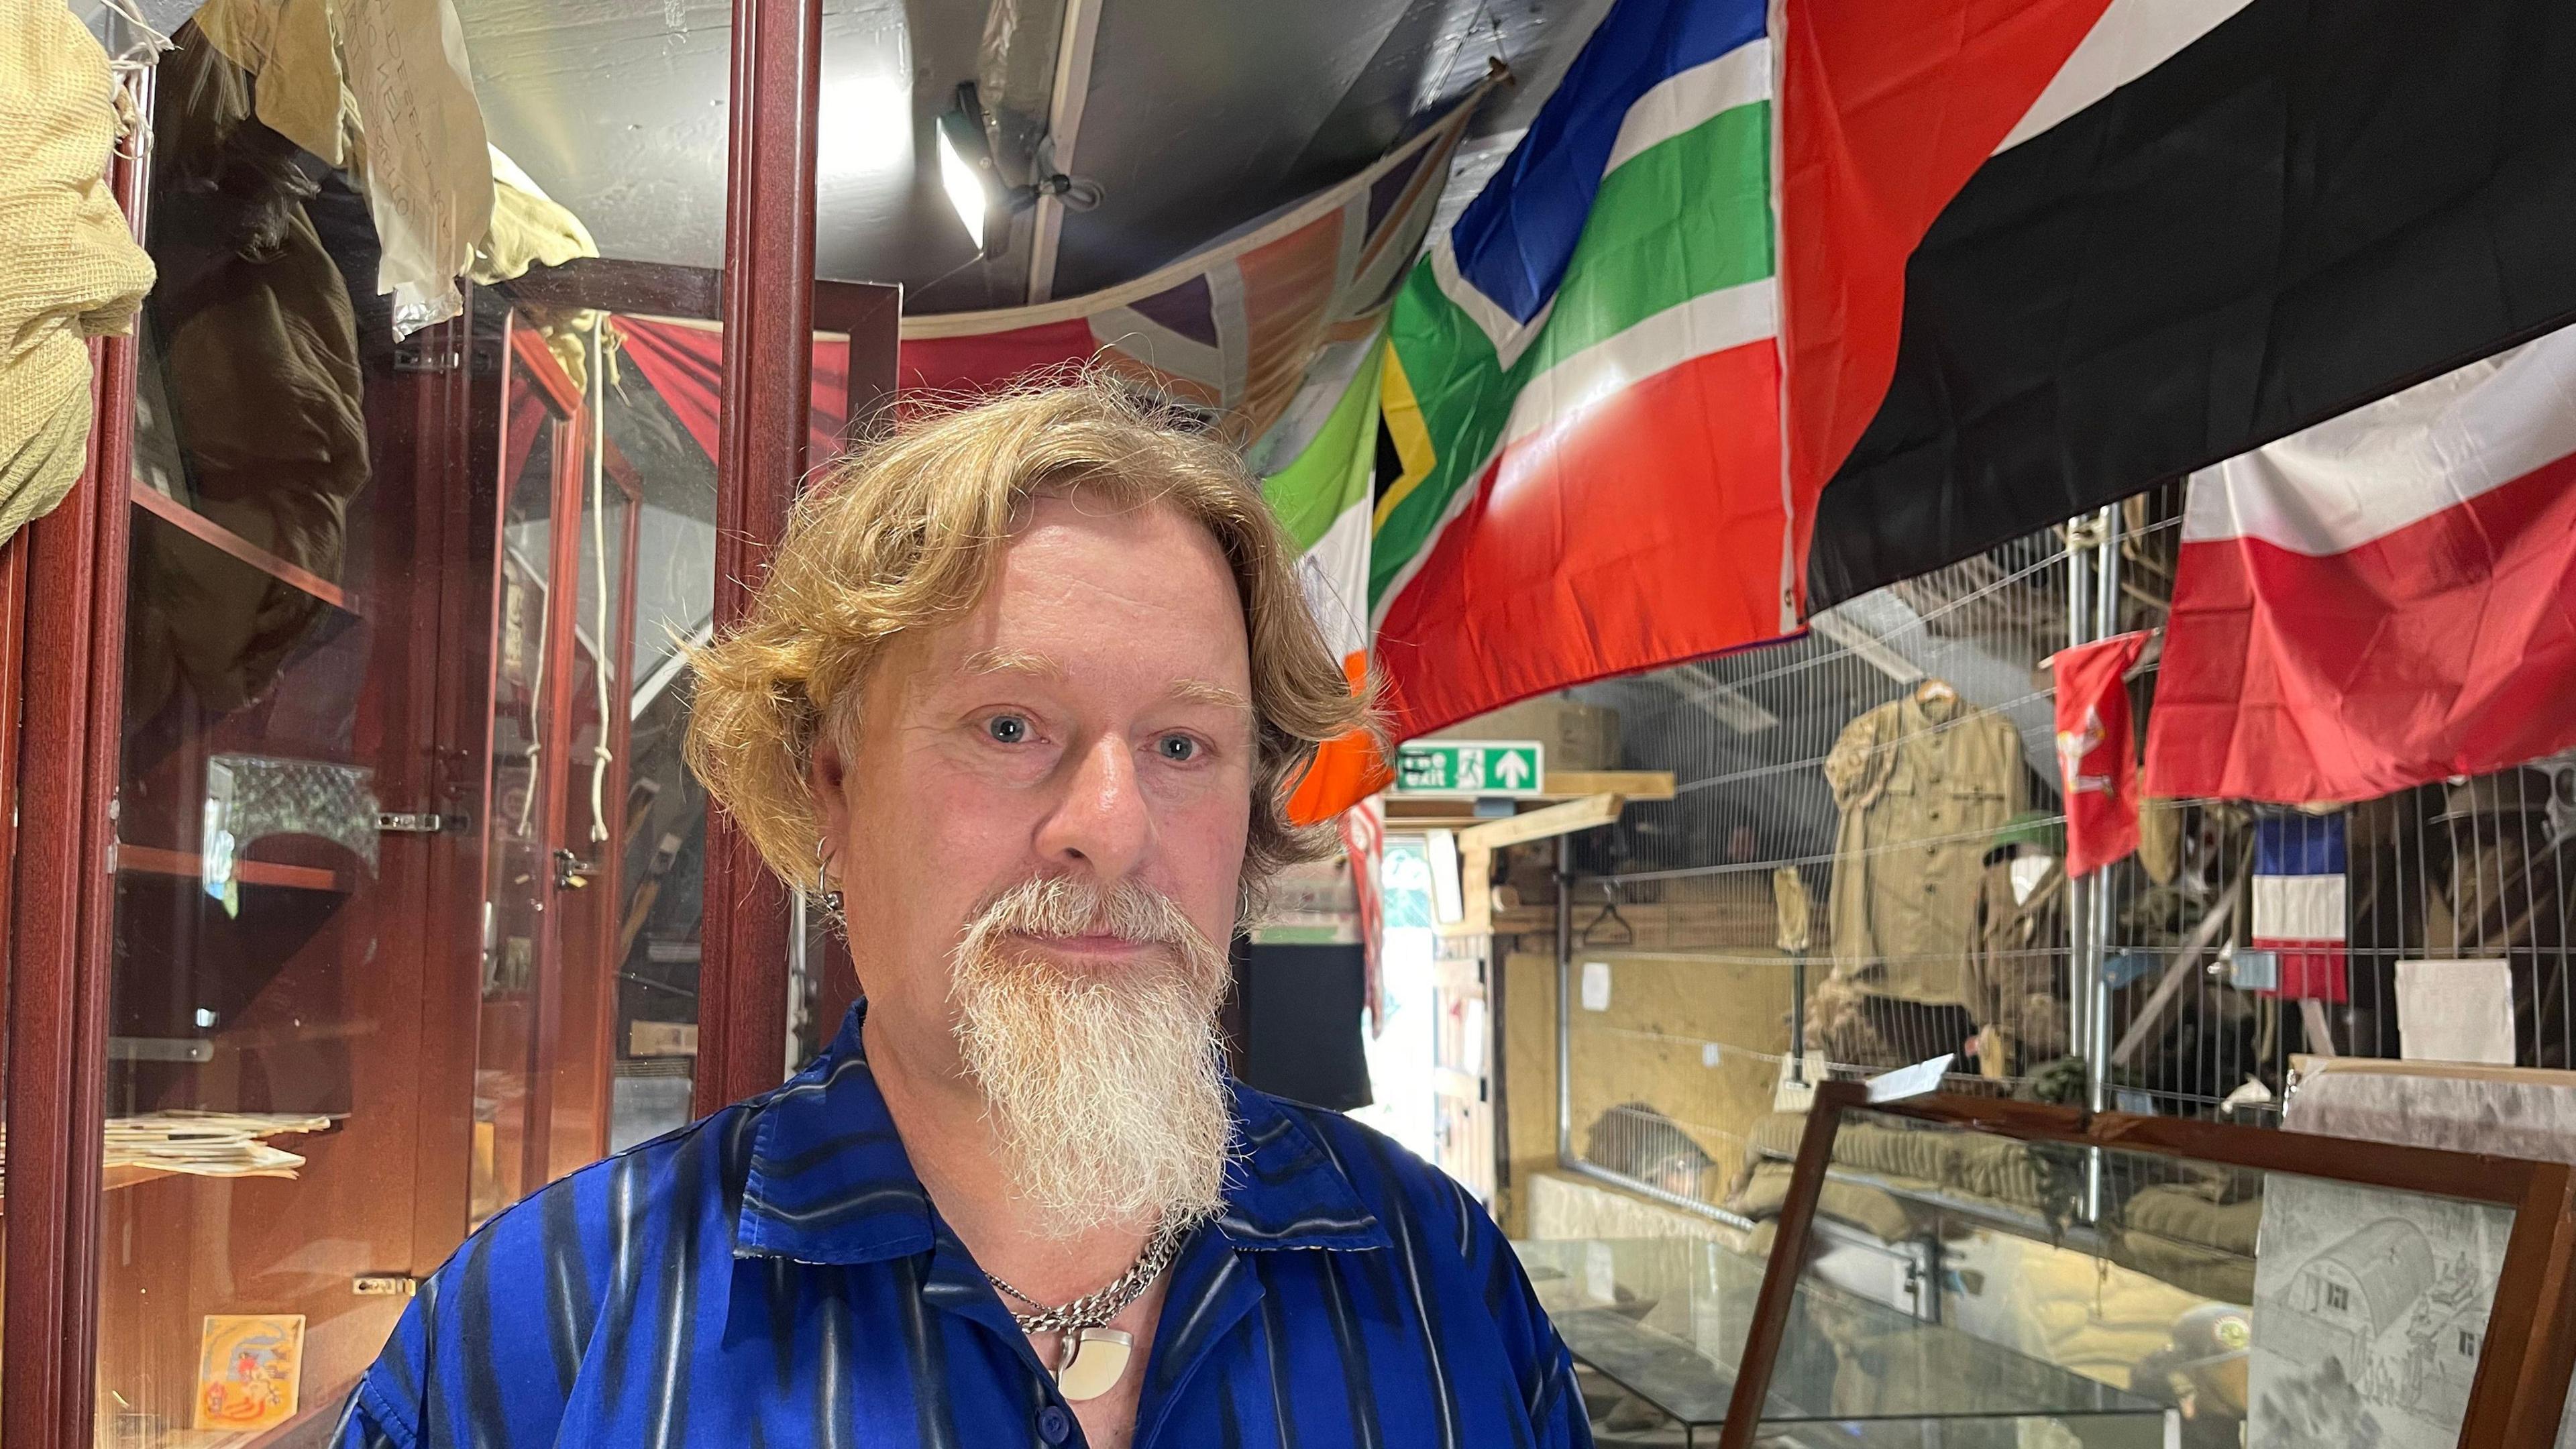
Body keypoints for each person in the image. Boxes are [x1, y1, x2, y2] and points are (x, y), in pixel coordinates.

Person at [333, 377, 1591, 1449]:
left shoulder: (1443, 1286)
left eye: (1182, 743)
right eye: (1009, 726)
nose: (1112, 824)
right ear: (830, 780)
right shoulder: (541, 1337)